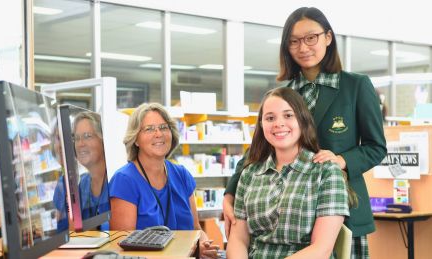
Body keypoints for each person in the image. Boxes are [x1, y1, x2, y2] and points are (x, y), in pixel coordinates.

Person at [224, 7, 387, 258]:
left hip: (340, 205)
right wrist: (231, 192)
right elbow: (259, 146)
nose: (303, 47)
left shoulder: (355, 86)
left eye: (311, 37)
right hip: (288, 208)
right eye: (294, 41)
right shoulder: (285, 93)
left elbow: (376, 147)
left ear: (328, 38)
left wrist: (341, 160)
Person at [226, 87, 349, 258]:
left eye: (288, 115)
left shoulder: (326, 172)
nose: (278, 123)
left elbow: (322, 248)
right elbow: (238, 239)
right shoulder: (249, 174)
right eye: (270, 118)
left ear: (303, 120)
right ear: (262, 125)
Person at [109, 102, 219, 259]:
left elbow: (196, 229)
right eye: (149, 129)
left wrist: (204, 245)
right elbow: (121, 249)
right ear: (136, 139)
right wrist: (187, 251)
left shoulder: (181, 175)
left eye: (163, 127)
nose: (158, 134)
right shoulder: (124, 181)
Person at [53, 111, 110, 231]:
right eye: (77, 138)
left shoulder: (116, 181)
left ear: (103, 140)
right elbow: (74, 231)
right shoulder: (82, 185)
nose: (80, 144)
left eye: (87, 136)